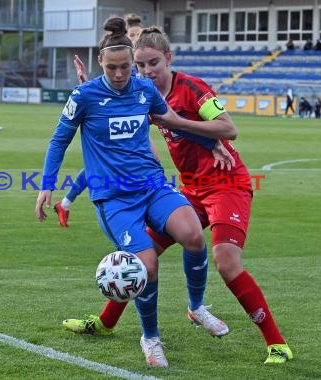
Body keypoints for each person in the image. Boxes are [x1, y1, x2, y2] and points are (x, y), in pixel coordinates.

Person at [62, 25, 293, 366]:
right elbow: (109, 130)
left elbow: (229, 128)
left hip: (227, 184)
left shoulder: (191, 88)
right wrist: (86, 87)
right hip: (190, 188)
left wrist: (200, 132)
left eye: (152, 62)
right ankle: (106, 322)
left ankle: (275, 343)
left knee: (227, 263)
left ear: (168, 58)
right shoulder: (144, 94)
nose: (146, 71)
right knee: (142, 258)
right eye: (140, 65)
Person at [35, 17, 238, 368]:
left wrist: (212, 142)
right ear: (101, 63)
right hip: (114, 199)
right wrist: (47, 186)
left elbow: (171, 122)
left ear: (132, 63)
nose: (119, 74)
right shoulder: (84, 96)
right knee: (147, 265)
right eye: (112, 67)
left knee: (192, 234)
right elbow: (59, 140)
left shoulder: (144, 90)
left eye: (125, 67)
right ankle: (151, 337)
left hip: (153, 185)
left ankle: (197, 307)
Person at [54, 12, 147, 226]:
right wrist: (88, 86)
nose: (135, 38)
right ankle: (67, 203)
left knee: (102, 166)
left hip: (137, 126)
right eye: (132, 34)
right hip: (122, 125)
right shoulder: (122, 66)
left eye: (138, 35)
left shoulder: (143, 72)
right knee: (99, 165)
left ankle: (67, 203)